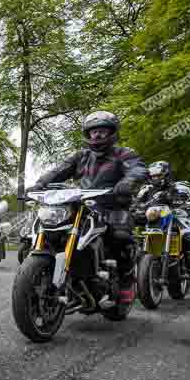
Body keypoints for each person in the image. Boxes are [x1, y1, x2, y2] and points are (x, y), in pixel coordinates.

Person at [27, 111, 147, 308]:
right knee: (52, 231)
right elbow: (58, 171)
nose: (97, 136)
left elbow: (137, 168)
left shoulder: (124, 153)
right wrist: (40, 184)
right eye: (93, 132)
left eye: (102, 131)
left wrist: (129, 181)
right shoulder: (80, 156)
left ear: (112, 133)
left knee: (120, 237)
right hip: (83, 205)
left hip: (112, 206)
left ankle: (125, 282)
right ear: (87, 134)